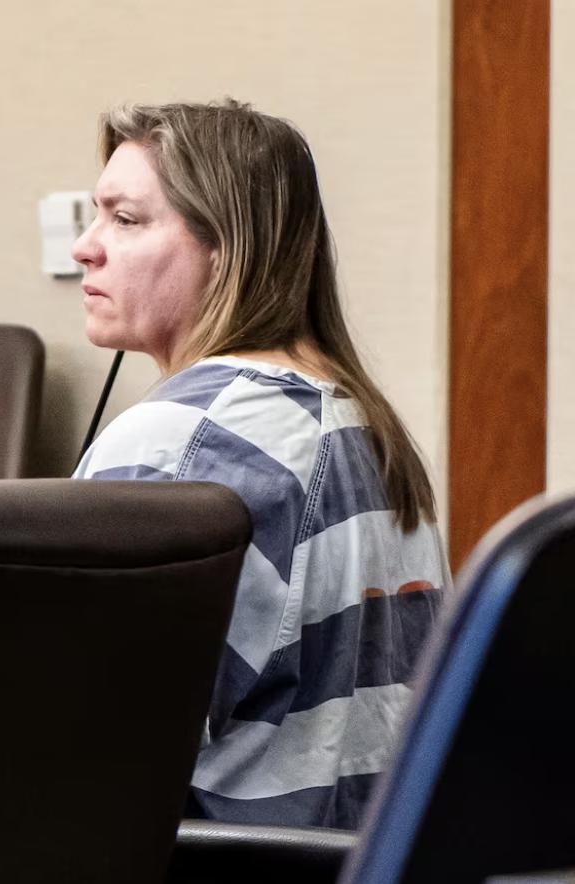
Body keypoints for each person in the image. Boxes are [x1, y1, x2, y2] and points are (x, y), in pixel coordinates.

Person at [71, 100, 450, 829]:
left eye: (125, 220)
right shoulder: (364, 422)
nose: (87, 248)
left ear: (228, 247)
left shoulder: (183, 442)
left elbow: (80, 754)